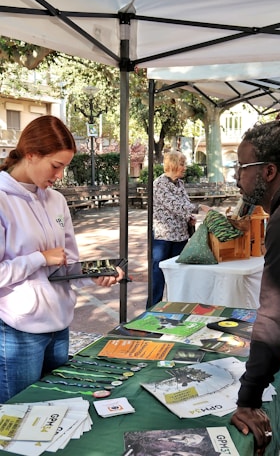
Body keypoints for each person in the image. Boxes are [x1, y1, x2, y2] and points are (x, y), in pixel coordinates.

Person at [0, 115, 124, 402]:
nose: (58, 176)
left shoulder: (56, 200)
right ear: (30, 154)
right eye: (56, 166)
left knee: (58, 408)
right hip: (18, 331)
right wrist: (39, 258)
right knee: (18, 418)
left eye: (64, 168)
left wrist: (91, 275)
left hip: (60, 327)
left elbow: (65, 263)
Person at [230, 96, 280, 455]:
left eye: (242, 166)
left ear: (269, 172)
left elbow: (277, 314)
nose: (236, 176)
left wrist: (248, 398)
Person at [146, 150, 206, 308]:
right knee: (157, 277)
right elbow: (174, 205)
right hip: (163, 236)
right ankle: (151, 311)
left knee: (179, 276)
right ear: (172, 165)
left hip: (180, 236)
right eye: (182, 164)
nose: (184, 167)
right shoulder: (159, 184)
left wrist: (189, 218)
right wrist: (199, 208)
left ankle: (176, 308)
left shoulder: (179, 183)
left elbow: (182, 205)